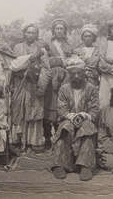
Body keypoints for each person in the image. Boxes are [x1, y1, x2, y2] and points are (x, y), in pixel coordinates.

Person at [51, 65, 99, 181]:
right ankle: (59, 164)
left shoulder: (92, 88)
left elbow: (95, 110)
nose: (76, 77)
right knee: (65, 127)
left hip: (86, 119)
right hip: (68, 119)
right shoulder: (64, 89)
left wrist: (83, 116)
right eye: (73, 74)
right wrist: (71, 117)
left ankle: (85, 166)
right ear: (70, 75)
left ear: (84, 74)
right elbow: (62, 109)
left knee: (87, 129)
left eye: (79, 74)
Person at [11, 22, 52, 154]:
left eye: (33, 33)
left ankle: (32, 143)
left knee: (33, 113)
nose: (30, 35)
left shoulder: (41, 50)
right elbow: (11, 66)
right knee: (19, 111)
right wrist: (11, 85)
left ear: (37, 34)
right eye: (28, 32)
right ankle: (19, 141)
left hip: (34, 85)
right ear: (24, 34)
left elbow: (46, 69)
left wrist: (41, 86)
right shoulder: (17, 48)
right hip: (19, 84)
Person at [44, 18, 73, 150]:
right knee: (49, 106)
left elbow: (73, 61)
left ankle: (58, 138)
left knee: (61, 106)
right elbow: (47, 61)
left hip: (65, 79)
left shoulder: (69, 45)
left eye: (62, 29)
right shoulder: (48, 45)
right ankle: (47, 139)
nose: (59, 31)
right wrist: (62, 61)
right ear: (53, 30)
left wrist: (64, 61)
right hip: (50, 79)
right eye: (57, 28)